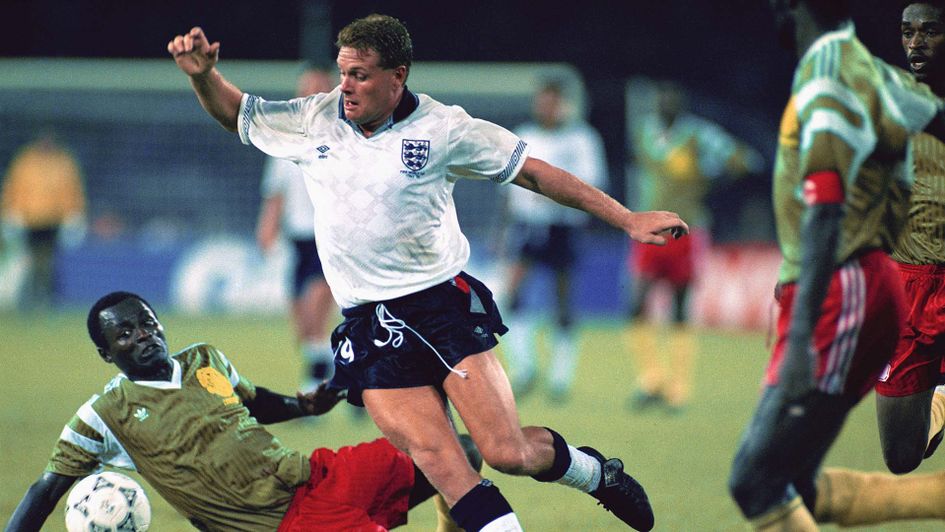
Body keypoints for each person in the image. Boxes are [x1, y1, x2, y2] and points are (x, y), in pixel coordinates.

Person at [168, 14, 688, 531]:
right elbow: (236, 113)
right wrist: (202, 77)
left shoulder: (444, 129)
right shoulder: (315, 118)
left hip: (442, 308)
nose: (344, 87)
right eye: (343, 72)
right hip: (370, 325)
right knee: (441, 460)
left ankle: (596, 473)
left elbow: (532, 172)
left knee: (506, 452)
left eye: (360, 75)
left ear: (398, 76)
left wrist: (627, 218)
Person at [727, 1, 944, 530]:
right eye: (908, 31)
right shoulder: (864, 69)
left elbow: (826, 205)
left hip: (842, 286)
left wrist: (797, 328)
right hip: (887, 280)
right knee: (807, 475)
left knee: (758, 479)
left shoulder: (830, 76)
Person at [5, 291, 479, 531]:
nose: (142, 336)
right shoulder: (104, 414)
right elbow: (45, 492)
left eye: (147, 324)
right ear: (107, 353)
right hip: (274, 523)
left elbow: (253, 403)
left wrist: (303, 406)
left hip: (310, 476)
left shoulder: (204, 357)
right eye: (124, 334)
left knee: (460, 455)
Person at [625, 80, 763, 412]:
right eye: (661, 100)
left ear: (681, 105)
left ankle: (677, 389)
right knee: (636, 304)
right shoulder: (645, 133)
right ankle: (651, 379)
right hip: (649, 229)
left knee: (679, 306)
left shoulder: (698, 135)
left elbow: (747, 160)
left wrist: (709, 177)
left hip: (686, 231)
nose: (664, 105)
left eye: (670, 100)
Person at [500, 79, 608, 402]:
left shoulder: (582, 139)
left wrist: (554, 194)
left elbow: (592, 182)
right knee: (512, 295)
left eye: (553, 101)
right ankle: (525, 367)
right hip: (527, 225)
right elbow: (507, 184)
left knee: (562, 299)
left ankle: (561, 377)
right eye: (542, 101)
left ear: (564, 104)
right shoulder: (525, 135)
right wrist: (502, 230)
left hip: (563, 226)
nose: (546, 108)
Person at [255, 66, 339, 393]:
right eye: (306, 90)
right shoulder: (285, 143)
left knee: (317, 310)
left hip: (329, 237)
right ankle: (345, 376)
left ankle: (312, 391)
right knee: (303, 328)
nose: (310, 97)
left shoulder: (343, 137)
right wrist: (267, 230)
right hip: (297, 240)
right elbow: (275, 194)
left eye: (318, 90)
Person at [1, 130, 87, 309]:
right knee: (30, 260)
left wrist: (74, 215)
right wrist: (10, 212)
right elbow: (15, 186)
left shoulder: (63, 161)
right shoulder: (26, 160)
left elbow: (72, 190)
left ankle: (47, 297)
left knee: (50, 262)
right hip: (30, 219)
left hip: (53, 219)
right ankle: (32, 297)